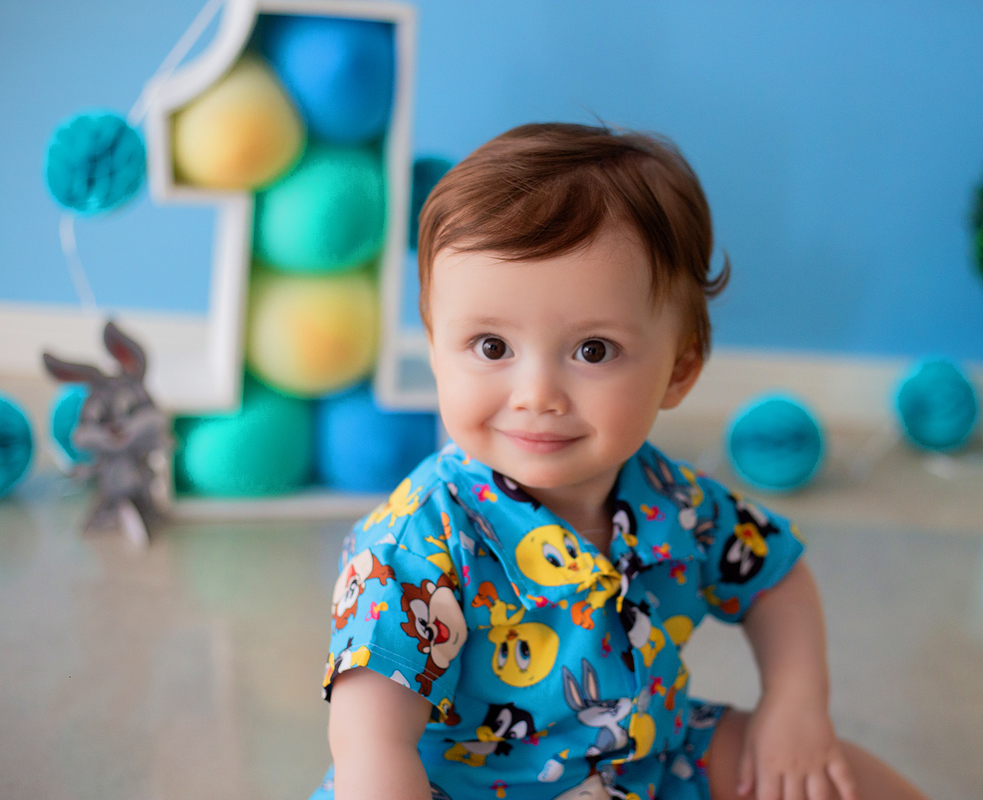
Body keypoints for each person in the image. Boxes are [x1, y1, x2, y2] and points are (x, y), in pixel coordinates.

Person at [313, 123, 927, 800]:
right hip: (462, 788)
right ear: (435, 351)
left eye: (593, 351)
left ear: (679, 369)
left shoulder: (677, 501)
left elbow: (772, 578)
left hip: (649, 762)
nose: (537, 395)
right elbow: (370, 743)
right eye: (491, 347)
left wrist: (795, 705)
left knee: (844, 780)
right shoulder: (416, 543)